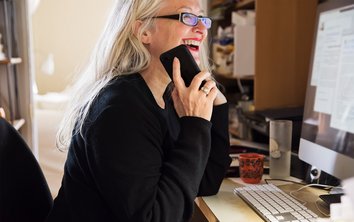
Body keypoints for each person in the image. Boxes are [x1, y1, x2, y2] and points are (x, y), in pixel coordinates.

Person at [46, 0, 231, 221]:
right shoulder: (119, 109)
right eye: (187, 17)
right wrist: (194, 125)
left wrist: (217, 106)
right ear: (144, 32)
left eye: (201, 18)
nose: (202, 29)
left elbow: (204, 181)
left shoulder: (169, 97)